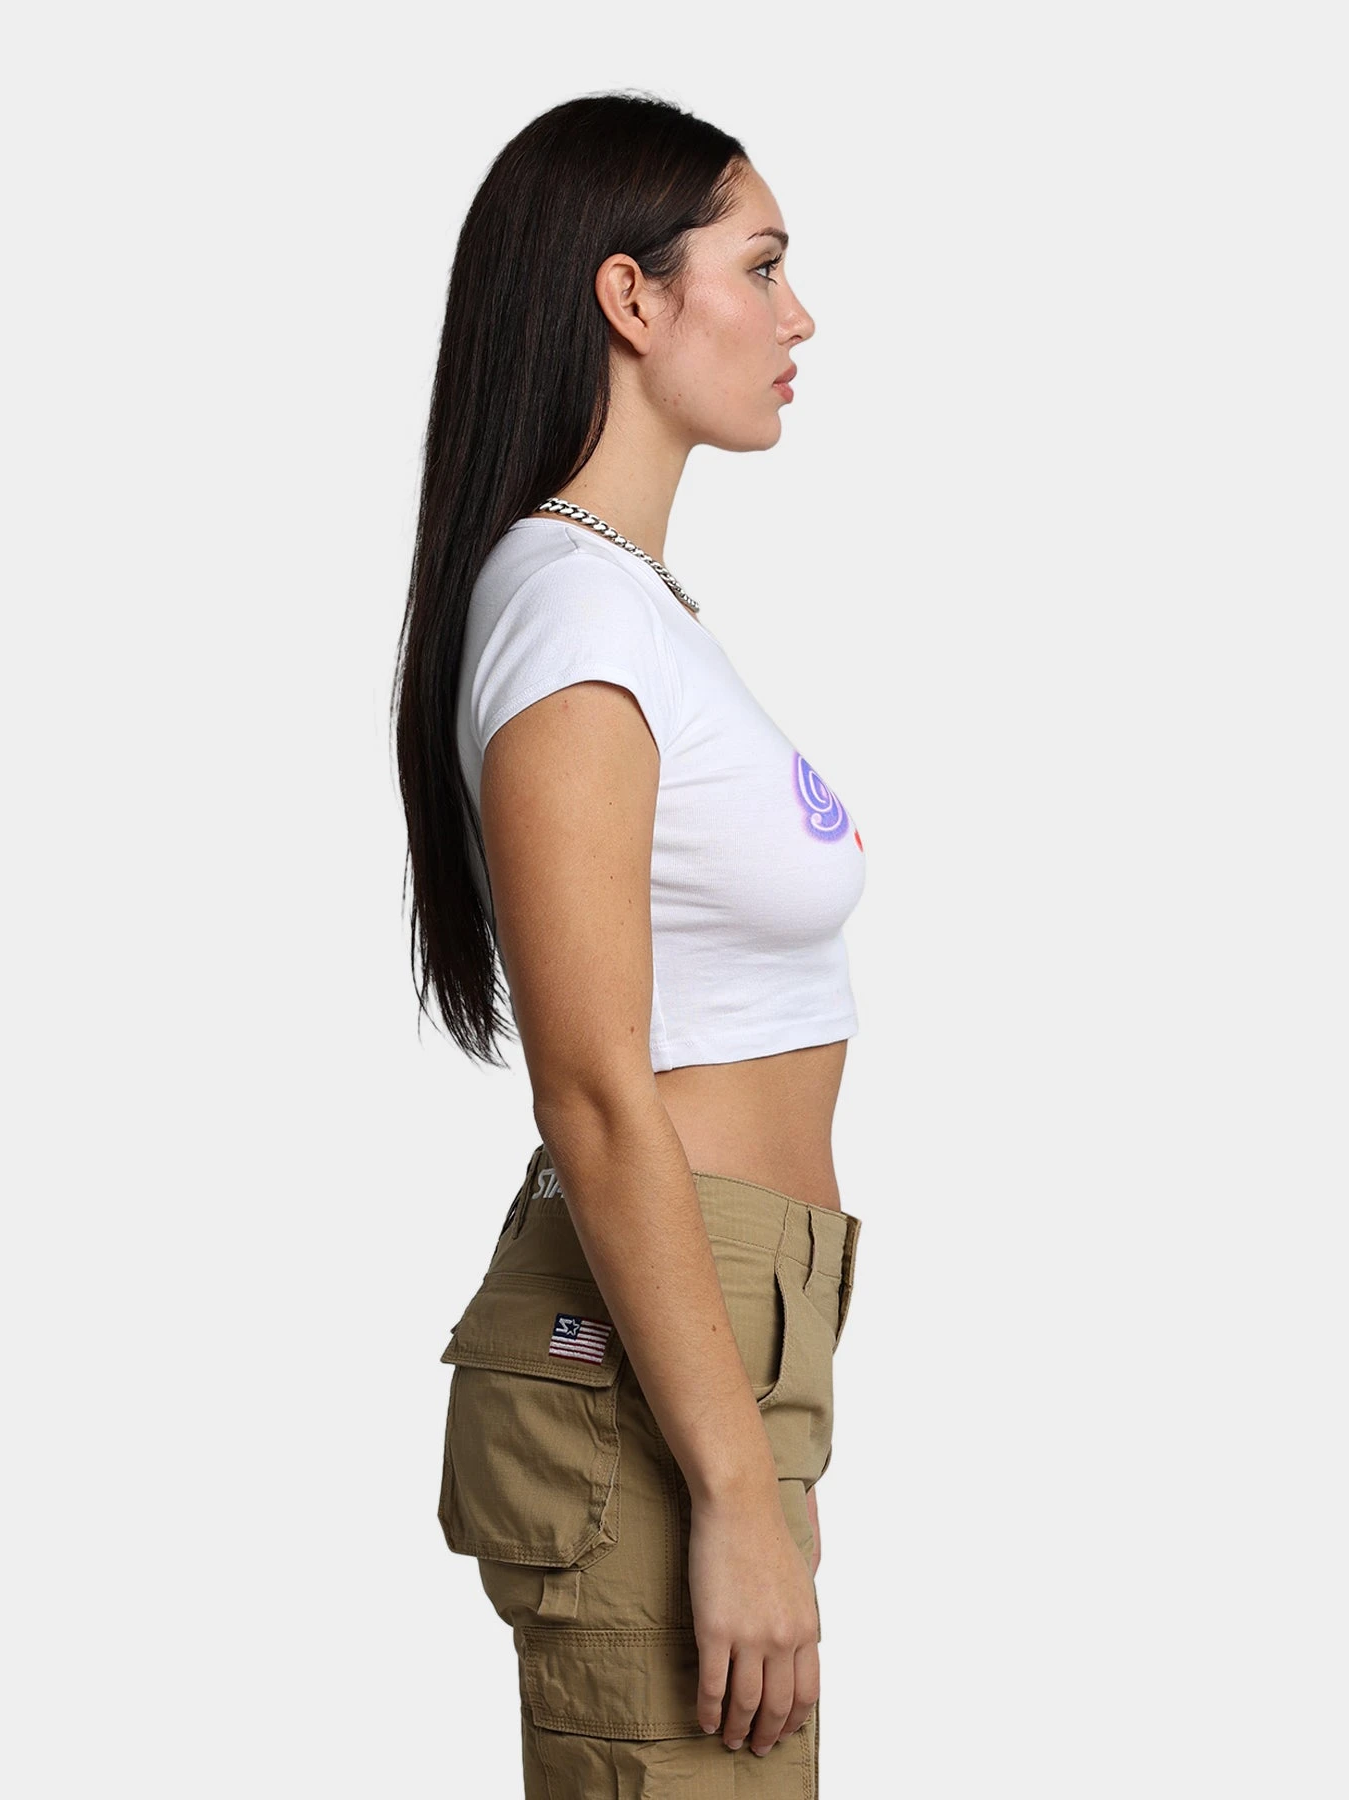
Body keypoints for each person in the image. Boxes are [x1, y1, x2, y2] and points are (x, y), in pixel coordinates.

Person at [393, 90, 867, 1797]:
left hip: (710, 1332)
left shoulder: (621, 604)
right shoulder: (572, 617)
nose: (800, 316)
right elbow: (594, 1093)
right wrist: (732, 1489)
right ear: (631, 298)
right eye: (764, 265)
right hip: (653, 1360)